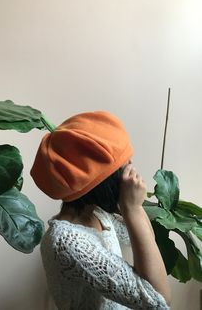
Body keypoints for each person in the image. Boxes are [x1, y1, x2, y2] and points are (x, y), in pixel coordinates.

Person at [31, 111, 171, 310]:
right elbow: (159, 300)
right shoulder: (67, 241)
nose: (130, 171)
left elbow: (143, 237)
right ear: (100, 183)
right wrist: (133, 208)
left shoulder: (98, 215)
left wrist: (131, 208)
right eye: (123, 168)